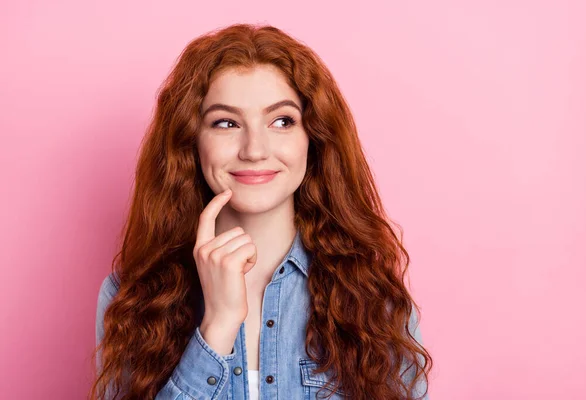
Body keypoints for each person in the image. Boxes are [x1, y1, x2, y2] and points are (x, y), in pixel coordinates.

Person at [90, 23, 432, 400]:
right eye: (226, 122)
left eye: (281, 121)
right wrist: (217, 327)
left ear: (313, 139)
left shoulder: (370, 294)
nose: (254, 149)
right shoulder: (134, 295)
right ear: (192, 142)